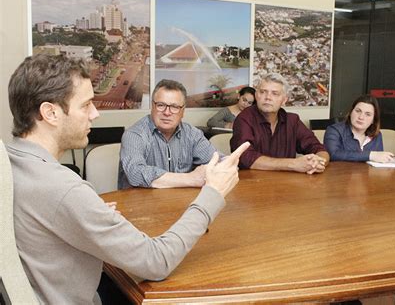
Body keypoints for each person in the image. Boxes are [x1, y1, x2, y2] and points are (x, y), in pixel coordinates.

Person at [6, 54, 250, 304]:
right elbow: (157, 261)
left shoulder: (10, 162)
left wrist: (87, 211)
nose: (95, 114)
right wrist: (213, 193)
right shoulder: (65, 189)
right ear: (50, 113)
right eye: (86, 104)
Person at [119, 79, 218, 189]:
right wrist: (191, 178)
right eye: (161, 105)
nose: (167, 112)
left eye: (175, 107)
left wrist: (224, 164)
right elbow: (136, 173)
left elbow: (218, 161)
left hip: (180, 201)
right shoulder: (134, 134)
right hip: (141, 203)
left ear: (183, 111)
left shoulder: (192, 134)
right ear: (152, 106)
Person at [230, 73, 329, 174]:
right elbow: (244, 157)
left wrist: (318, 162)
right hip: (251, 184)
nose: (268, 97)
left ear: (284, 100)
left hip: (286, 184)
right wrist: (293, 164)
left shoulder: (292, 120)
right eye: (263, 92)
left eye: (275, 93)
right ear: (256, 96)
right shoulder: (244, 118)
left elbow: (318, 148)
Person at [324, 95, 395, 163]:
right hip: (342, 174)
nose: (361, 117)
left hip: (369, 174)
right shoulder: (334, 130)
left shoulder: (377, 135)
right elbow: (333, 155)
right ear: (351, 112)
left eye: (368, 114)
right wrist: (370, 155)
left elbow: (379, 159)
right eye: (358, 111)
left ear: (373, 120)